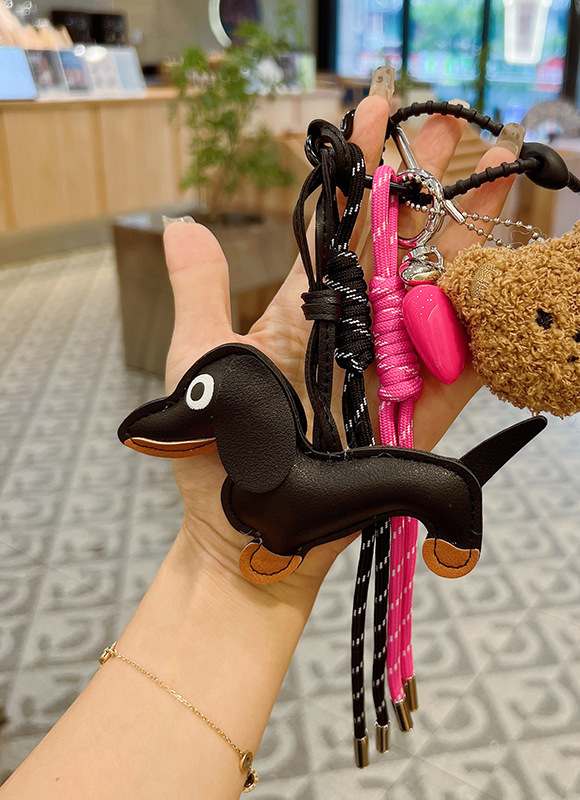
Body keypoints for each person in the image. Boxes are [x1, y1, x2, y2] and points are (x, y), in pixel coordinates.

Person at [0, 69, 523, 799]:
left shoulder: (271, 467)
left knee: (417, 479)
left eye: (200, 400)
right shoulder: (253, 474)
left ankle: (454, 515)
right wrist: (222, 569)